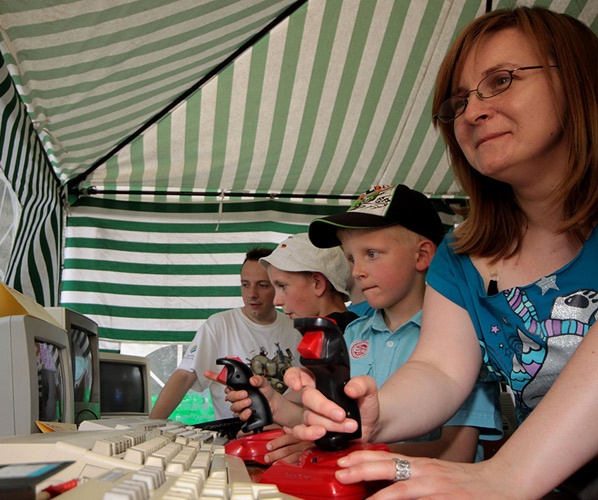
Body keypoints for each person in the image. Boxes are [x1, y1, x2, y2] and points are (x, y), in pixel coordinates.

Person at [289, 7, 598, 498]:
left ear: (580, 80)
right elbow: (439, 370)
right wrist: (375, 412)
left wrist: (504, 473)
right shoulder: (462, 252)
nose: (471, 113)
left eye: (501, 80)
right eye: (458, 101)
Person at [309, 184, 500, 463]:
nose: (357, 271)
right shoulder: (352, 334)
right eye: (351, 258)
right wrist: (279, 407)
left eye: (371, 253)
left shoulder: (463, 341)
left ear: (421, 256)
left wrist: (358, 454)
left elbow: (457, 453)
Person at [208, 232, 359, 462]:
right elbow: (301, 404)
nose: (277, 300)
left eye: (282, 286)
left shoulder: (345, 336)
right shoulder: (323, 333)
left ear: (318, 283)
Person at [149, 247, 302, 420]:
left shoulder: (296, 329)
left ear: (278, 286)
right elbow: (184, 376)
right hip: (233, 434)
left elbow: (307, 390)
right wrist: (151, 426)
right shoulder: (218, 325)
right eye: (245, 284)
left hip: (289, 433)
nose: (252, 294)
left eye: (262, 285)